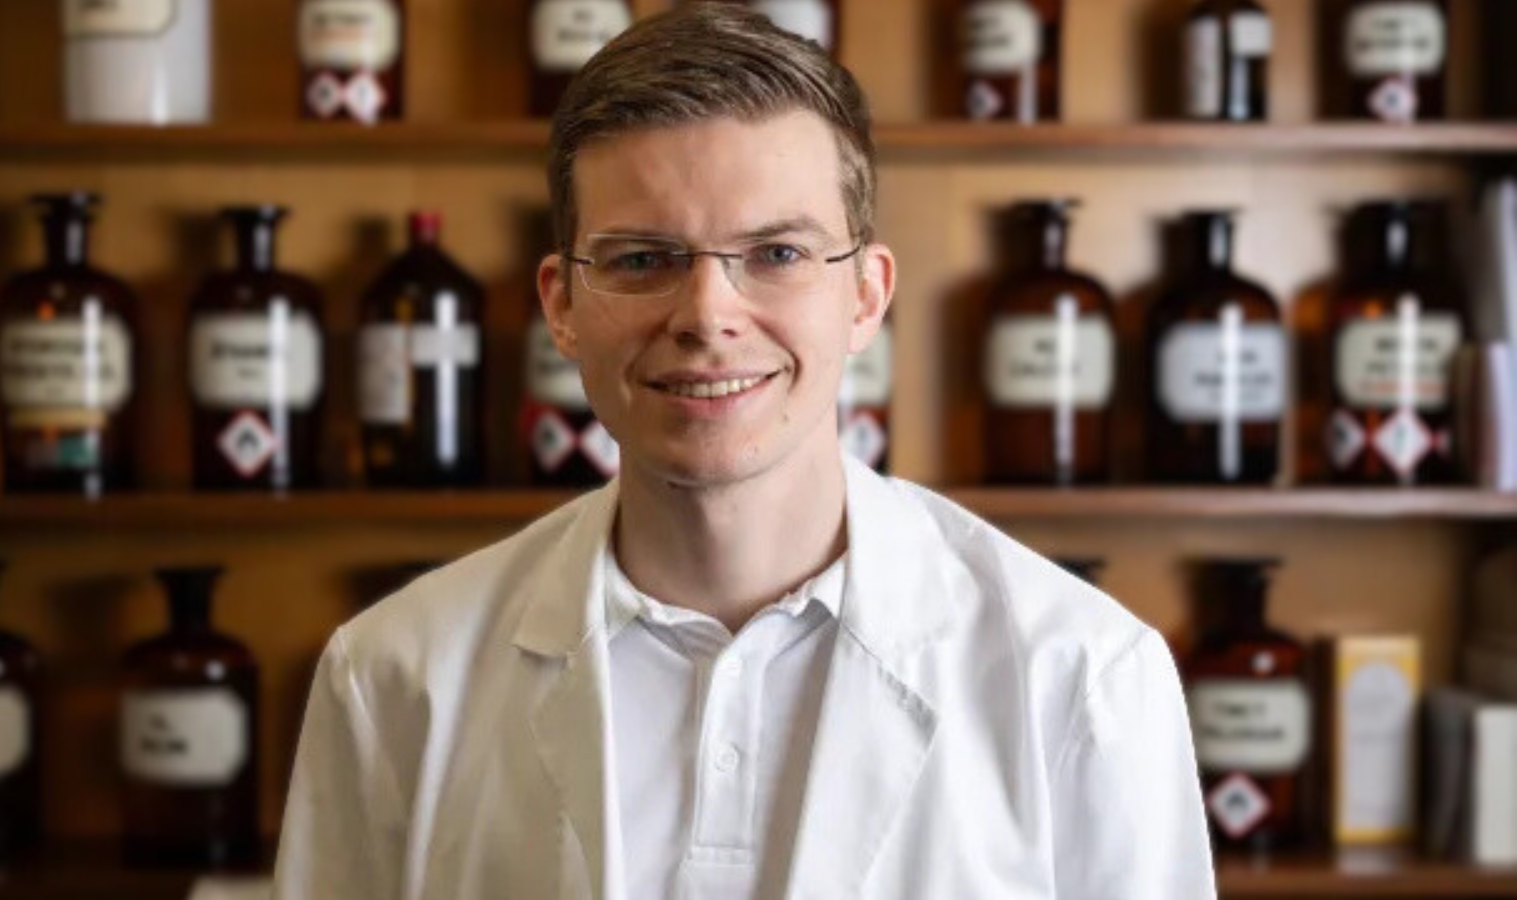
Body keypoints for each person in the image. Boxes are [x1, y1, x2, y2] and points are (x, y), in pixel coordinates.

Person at [272, 4, 1214, 898]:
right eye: (642, 259)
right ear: (561, 306)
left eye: (777, 254)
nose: (708, 316)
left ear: (866, 296)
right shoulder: (393, 679)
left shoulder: (1083, 677)